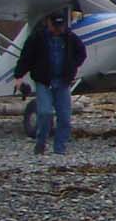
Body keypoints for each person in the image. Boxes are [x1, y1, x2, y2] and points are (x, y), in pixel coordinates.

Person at [15, 11, 87, 155]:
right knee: (45, 113)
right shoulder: (37, 38)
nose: (58, 28)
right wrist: (19, 76)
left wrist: (71, 68)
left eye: (61, 25)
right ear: (49, 23)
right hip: (44, 81)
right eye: (55, 25)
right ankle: (40, 143)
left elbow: (82, 54)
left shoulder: (70, 38)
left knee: (65, 118)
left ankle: (59, 149)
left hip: (63, 82)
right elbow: (26, 57)